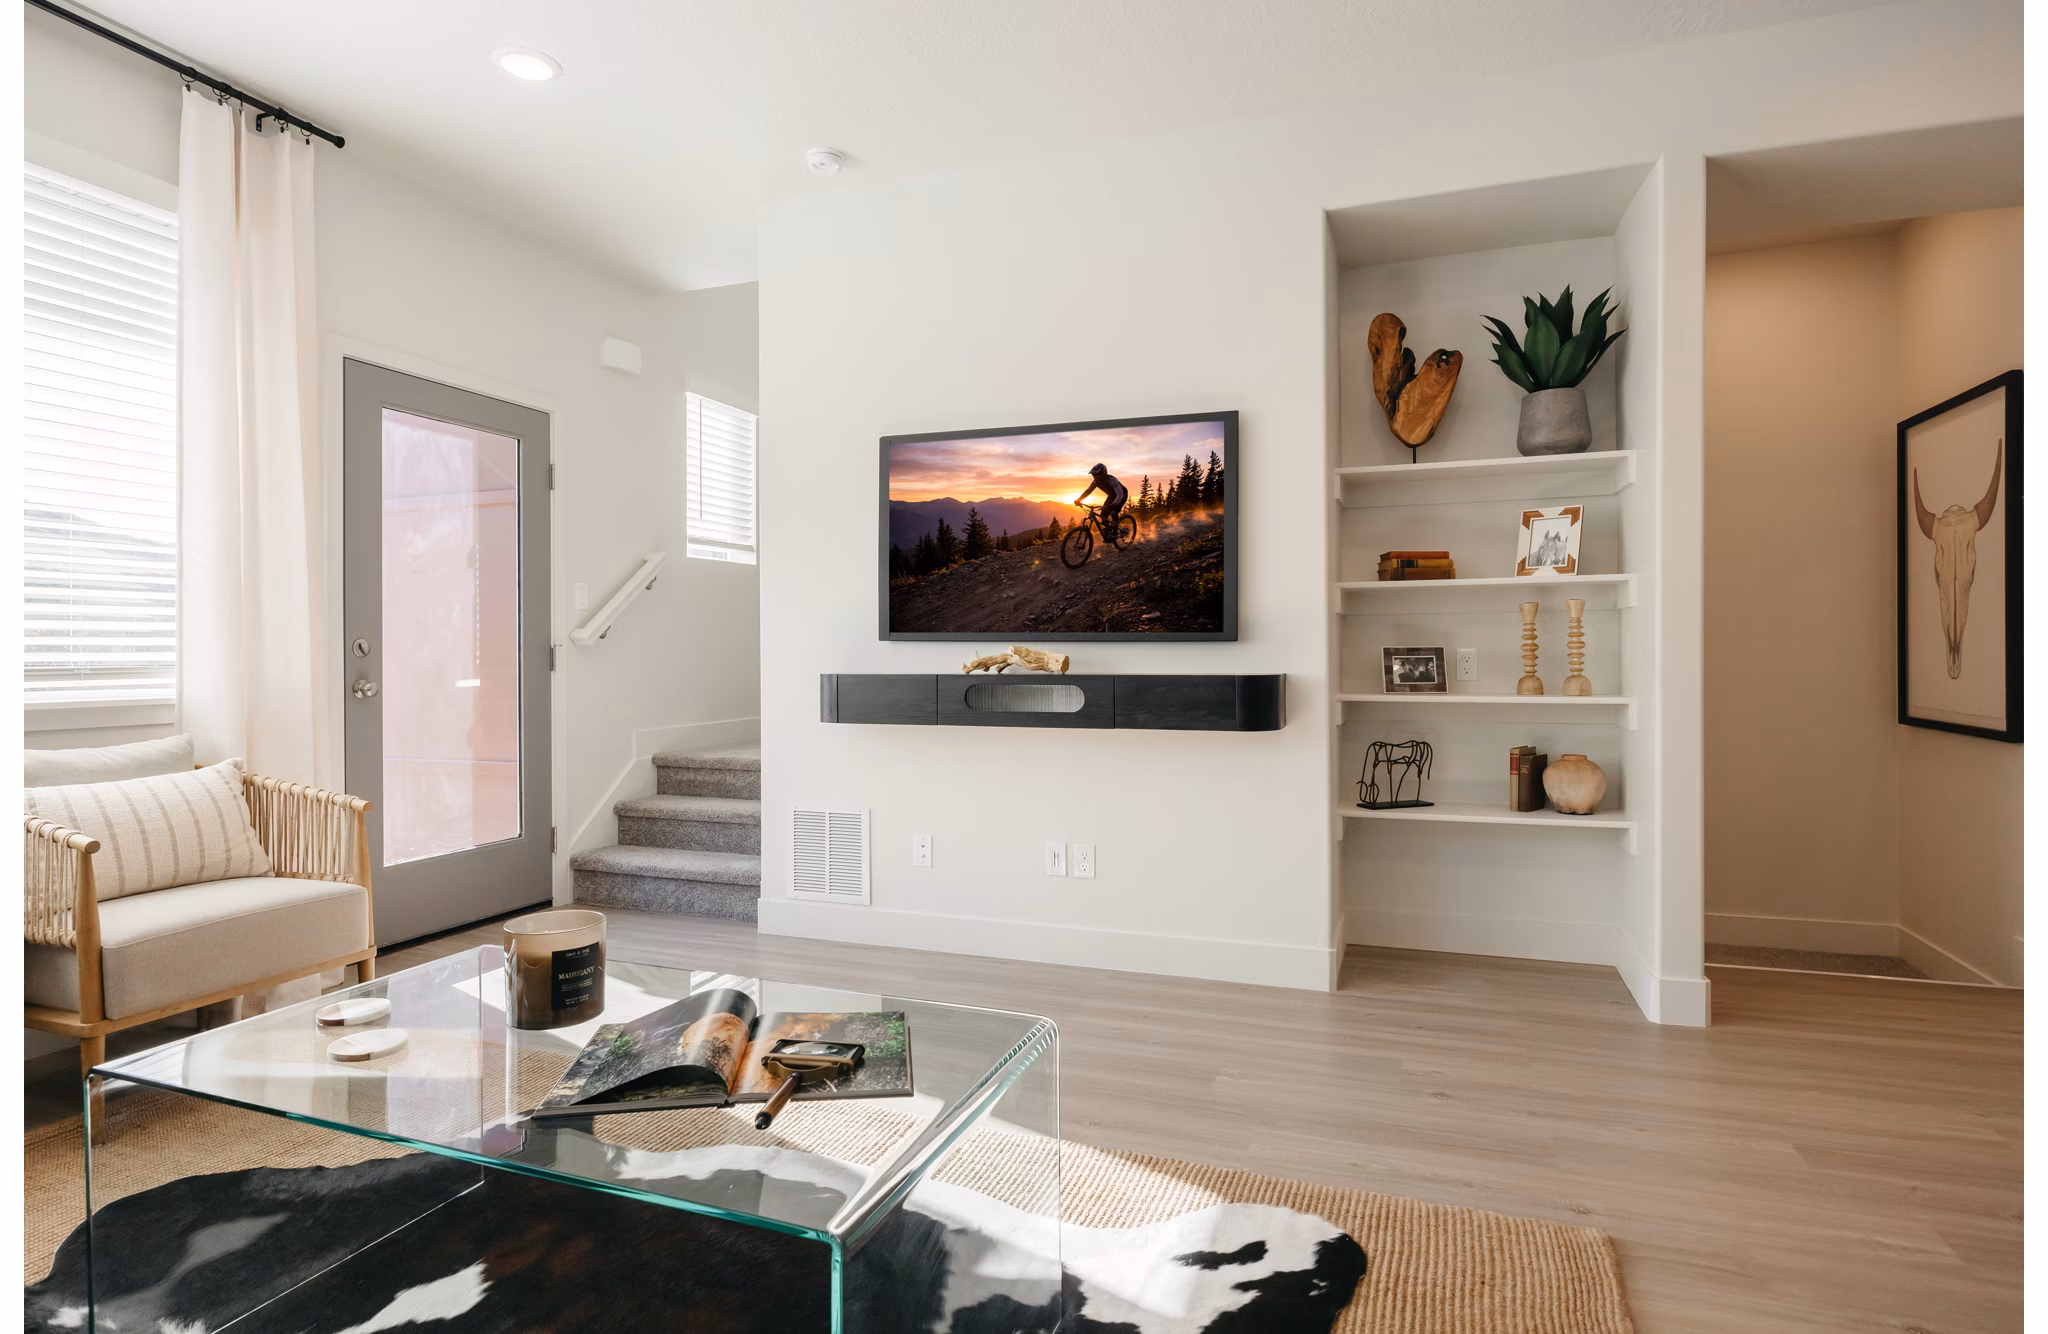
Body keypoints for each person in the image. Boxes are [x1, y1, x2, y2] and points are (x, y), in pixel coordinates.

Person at [1075, 463, 1128, 544]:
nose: (1095, 477)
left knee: (1114, 512)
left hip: (1122, 495)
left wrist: (1114, 504)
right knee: (1103, 515)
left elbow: (1120, 494)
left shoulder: (1111, 480)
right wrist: (1079, 500)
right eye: (1093, 475)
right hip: (1112, 495)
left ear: (1103, 474)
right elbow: (1088, 491)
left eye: (1097, 475)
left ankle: (1114, 532)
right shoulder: (1095, 482)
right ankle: (1108, 532)